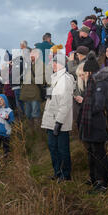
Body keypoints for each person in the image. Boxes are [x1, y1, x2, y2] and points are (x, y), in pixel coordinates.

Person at [77, 52, 108, 193]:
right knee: (93, 153)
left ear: (90, 71)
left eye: (85, 73)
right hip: (91, 124)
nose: (84, 76)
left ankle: (103, 183)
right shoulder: (93, 81)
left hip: (97, 124)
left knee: (99, 154)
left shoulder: (100, 82)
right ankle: (95, 179)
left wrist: (87, 110)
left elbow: (99, 105)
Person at [41, 54, 75, 182]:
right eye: (53, 62)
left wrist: (59, 122)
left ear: (62, 64)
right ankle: (57, 172)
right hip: (51, 119)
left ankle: (66, 175)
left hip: (60, 122)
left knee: (62, 149)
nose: (53, 65)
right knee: (52, 148)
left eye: (55, 63)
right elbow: (51, 101)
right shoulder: (54, 78)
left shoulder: (65, 80)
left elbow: (65, 104)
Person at [20, 48, 44, 130]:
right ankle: (30, 132)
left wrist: (31, 78)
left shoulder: (41, 65)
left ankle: (37, 133)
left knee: (35, 113)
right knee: (28, 114)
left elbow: (42, 80)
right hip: (26, 93)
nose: (31, 55)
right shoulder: (28, 65)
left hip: (35, 93)